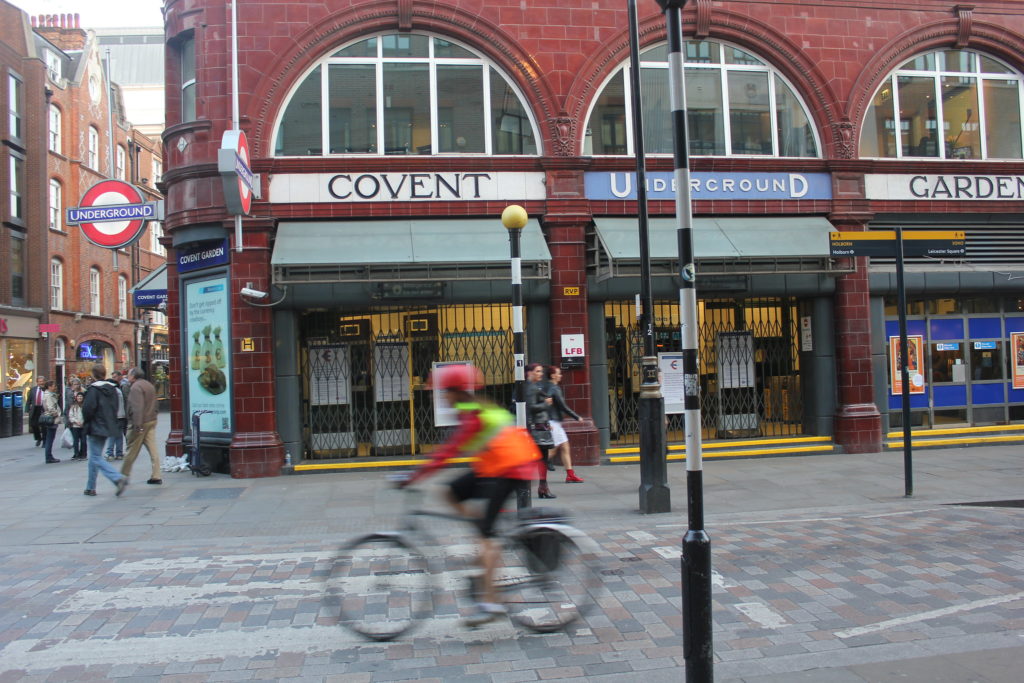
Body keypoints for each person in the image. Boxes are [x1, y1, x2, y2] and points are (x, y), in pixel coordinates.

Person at [401, 364, 541, 626]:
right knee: (451, 491)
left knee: (488, 538)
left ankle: (490, 603)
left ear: (456, 391)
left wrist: (413, 476)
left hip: (512, 468)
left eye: (444, 391)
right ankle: (484, 529)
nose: (441, 395)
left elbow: (448, 452)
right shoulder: (470, 408)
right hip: (494, 465)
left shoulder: (473, 414)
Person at [81, 364, 129, 497]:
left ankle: (117, 478)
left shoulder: (93, 390)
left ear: (93, 375)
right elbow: (116, 406)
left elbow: (88, 409)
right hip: (108, 424)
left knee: (96, 456)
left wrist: (86, 421)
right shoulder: (113, 389)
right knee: (94, 456)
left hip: (95, 425)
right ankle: (90, 486)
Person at [544, 365, 585, 483]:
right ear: (553, 375)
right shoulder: (553, 388)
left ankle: (570, 474)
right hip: (553, 422)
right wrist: (576, 417)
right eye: (558, 373)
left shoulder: (550, 387)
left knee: (564, 447)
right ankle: (530, 470)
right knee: (552, 450)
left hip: (555, 422)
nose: (560, 375)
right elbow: (563, 406)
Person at [121, 367, 161, 485]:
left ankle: (123, 475)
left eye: (128, 375)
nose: (127, 377)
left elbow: (137, 407)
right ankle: (156, 474)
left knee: (132, 449)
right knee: (152, 448)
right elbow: (156, 403)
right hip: (151, 420)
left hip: (141, 422)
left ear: (133, 376)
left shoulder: (135, 387)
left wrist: (137, 425)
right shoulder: (149, 385)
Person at [525, 363, 556, 499]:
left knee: (541, 459)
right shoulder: (531, 388)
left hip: (540, 426)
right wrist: (546, 403)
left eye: (541, 371)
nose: (541, 374)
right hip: (537, 429)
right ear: (529, 373)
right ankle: (542, 488)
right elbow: (531, 407)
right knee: (541, 460)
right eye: (537, 371)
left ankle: (543, 487)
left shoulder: (533, 387)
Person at [104, 371, 128, 461]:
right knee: (119, 435)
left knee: (112, 435)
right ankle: (119, 453)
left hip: (114, 416)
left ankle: (109, 453)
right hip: (121, 415)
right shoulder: (118, 391)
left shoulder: (111, 391)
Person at [41, 380, 62, 464]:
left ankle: (49, 456)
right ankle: (48, 457)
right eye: (53, 386)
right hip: (52, 418)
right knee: (50, 438)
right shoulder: (49, 395)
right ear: (49, 387)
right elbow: (50, 407)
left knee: (50, 437)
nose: (55, 387)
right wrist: (56, 414)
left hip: (50, 417)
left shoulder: (48, 394)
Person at [27, 376, 47, 447]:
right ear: (37, 382)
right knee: (34, 425)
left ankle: (45, 442)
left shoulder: (46, 389)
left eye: (42, 381)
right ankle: (38, 438)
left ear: (44, 382)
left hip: (43, 409)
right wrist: (27, 409)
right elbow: (29, 400)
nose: (41, 383)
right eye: (39, 381)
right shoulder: (33, 389)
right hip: (35, 409)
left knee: (44, 426)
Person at [67, 391, 87, 460]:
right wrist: (75, 422)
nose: (80, 397)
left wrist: (84, 422)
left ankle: (83, 454)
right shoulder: (73, 406)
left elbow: (87, 415)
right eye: (78, 396)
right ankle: (76, 454)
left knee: (83, 441)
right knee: (76, 441)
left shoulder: (85, 406)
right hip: (75, 426)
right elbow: (71, 416)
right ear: (76, 397)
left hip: (83, 426)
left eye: (81, 396)